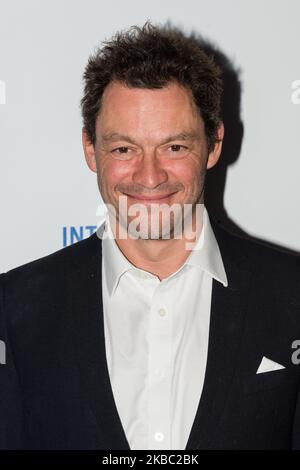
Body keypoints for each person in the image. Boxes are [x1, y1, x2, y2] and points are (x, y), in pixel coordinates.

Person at [1, 21, 300, 451]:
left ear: (214, 145)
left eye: (174, 147)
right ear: (90, 149)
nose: (149, 175)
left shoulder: (292, 295)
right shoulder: (15, 308)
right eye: (124, 148)